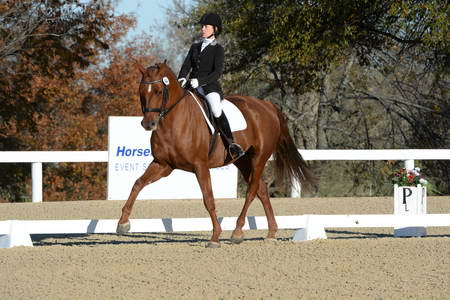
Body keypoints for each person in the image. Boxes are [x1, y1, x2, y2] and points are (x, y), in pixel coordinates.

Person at [178, 13, 245, 159]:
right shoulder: (194, 47)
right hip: (191, 86)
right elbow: (185, 66)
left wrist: (200, 81)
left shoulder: (218, 49)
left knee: (215, 109)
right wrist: (182, 78)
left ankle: (231, 144)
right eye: (202, 26)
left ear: (214, 29)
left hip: (210, 87)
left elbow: (217, 72)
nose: (202, 29)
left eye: (205, 27)